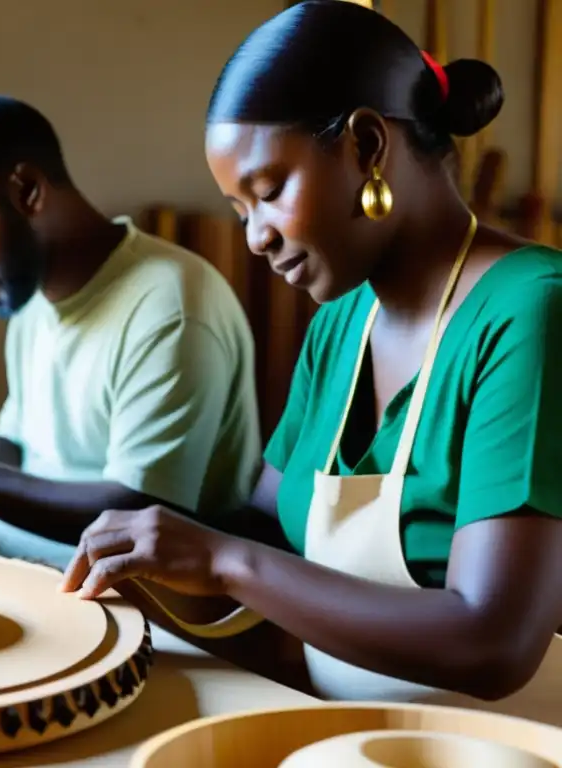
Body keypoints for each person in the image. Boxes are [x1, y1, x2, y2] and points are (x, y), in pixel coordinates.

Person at [61, 0, 562, 725]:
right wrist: (147, 562)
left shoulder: (529, 312)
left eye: (269, 193)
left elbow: (495, 643)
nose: (257, 237)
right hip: (343, 736)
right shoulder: (338, 328)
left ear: (366, 145)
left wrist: (221, 561)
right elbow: (270, 536)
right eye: (239, 213)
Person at [0, 94, 262, 570]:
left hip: (148, 620)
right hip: (35, 584)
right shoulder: (30, 301)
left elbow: (142, 514)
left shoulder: (170, 303)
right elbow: (24, 454)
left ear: (26, 190)